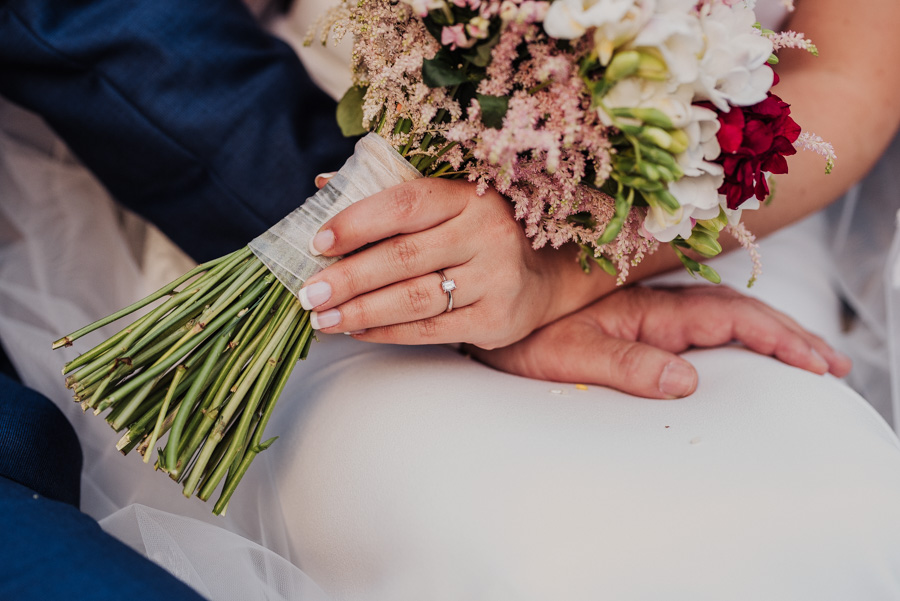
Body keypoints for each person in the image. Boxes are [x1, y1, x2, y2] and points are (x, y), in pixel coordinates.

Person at [1, 1, 899, 600]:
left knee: (802, 514)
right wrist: (418, 245)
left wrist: (566, 264)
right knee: (518, 537)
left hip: (702, 206)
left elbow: (847, 79)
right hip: (321, 131)